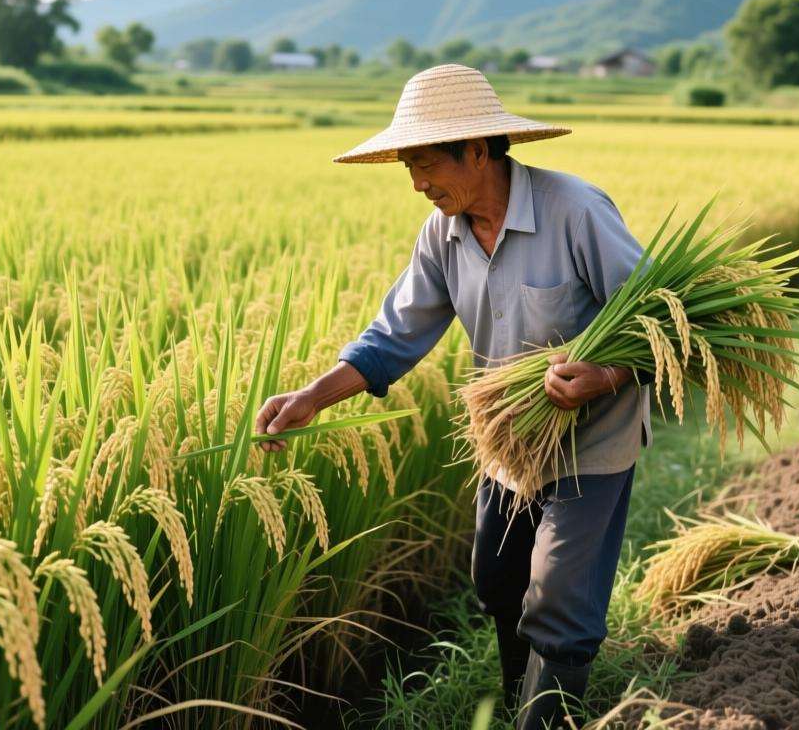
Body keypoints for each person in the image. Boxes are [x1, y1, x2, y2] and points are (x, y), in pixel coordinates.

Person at [254, 64, 652, 729]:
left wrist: (605, 376)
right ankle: (521, 688)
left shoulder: (575, 210)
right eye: (406, 167)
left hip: (591, 440)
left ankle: (546, 718)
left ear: (477, 149)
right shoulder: (443, 233)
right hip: (510, 439)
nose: (416, 183)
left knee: (560, 598)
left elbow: (662, 317)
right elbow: (396, 333)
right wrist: (314, 397)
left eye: (423, 162)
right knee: (496, 579)